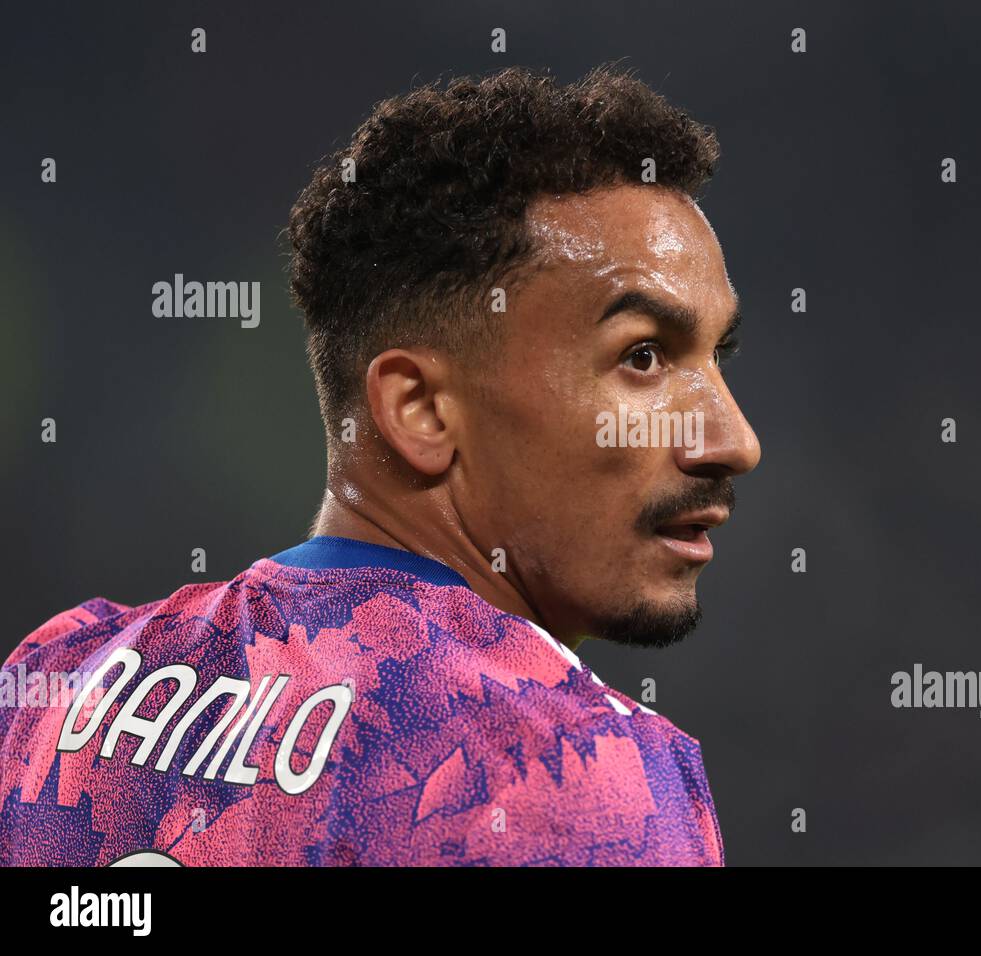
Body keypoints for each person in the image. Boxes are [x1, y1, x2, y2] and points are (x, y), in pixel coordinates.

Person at [0, 63, 760, 866]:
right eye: (643, 356)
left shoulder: (59, 680)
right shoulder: (569, 773)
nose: (733, 439)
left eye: (720, 358)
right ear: (421, 410)